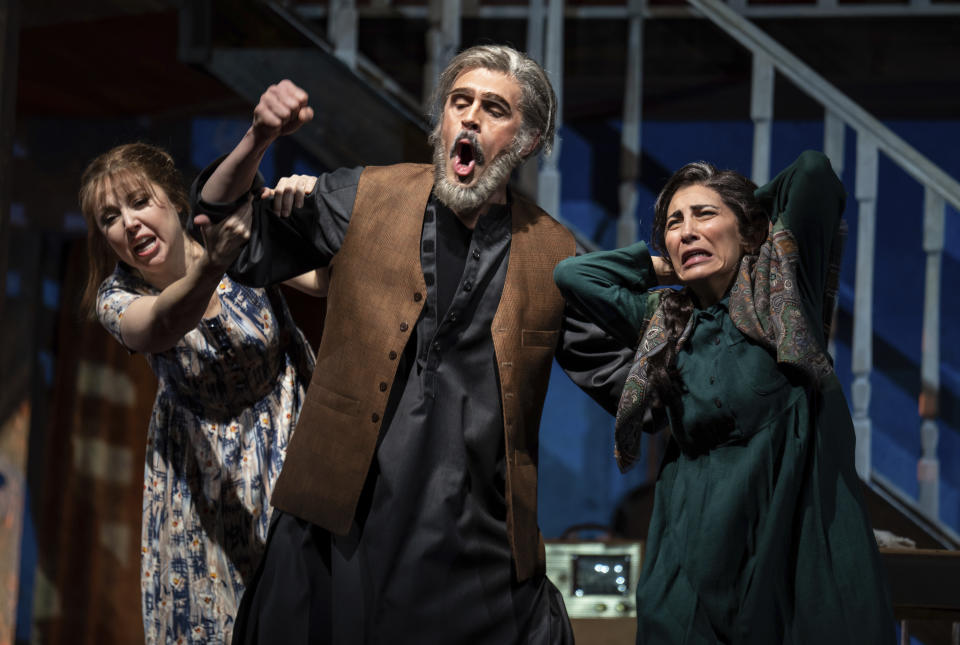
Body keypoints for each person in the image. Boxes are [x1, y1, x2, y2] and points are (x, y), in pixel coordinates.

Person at [192, 44, 633, 644]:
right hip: (338, 532)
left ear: (526, 141)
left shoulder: (554, 253)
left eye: (494, 108)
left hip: (471, 552)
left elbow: (627, 379)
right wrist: (260, 138)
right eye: (460, 102)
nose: (471, 117)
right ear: (442, 121)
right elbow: (227, 235)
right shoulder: (362, 196)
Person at [554, 150, 896, 643]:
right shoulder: (664, 323)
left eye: (705, 214)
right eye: (674, 222)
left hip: (791, 551)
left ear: (749, 229)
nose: (687, 230)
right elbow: (573, 276)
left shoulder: (783, 297)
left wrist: (750, 225)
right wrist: (663, 266)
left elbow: (814, 173)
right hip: (694, 556)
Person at [79, 143, 326, 644]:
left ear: (174, 201)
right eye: (110, 217)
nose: (128, 223)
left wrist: (311, 212)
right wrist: (212, 265)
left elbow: (325, 281)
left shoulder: (237, 240)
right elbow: (163, 322)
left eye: (138, 202)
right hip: (203, 491)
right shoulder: (117, 297)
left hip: (293, 450)